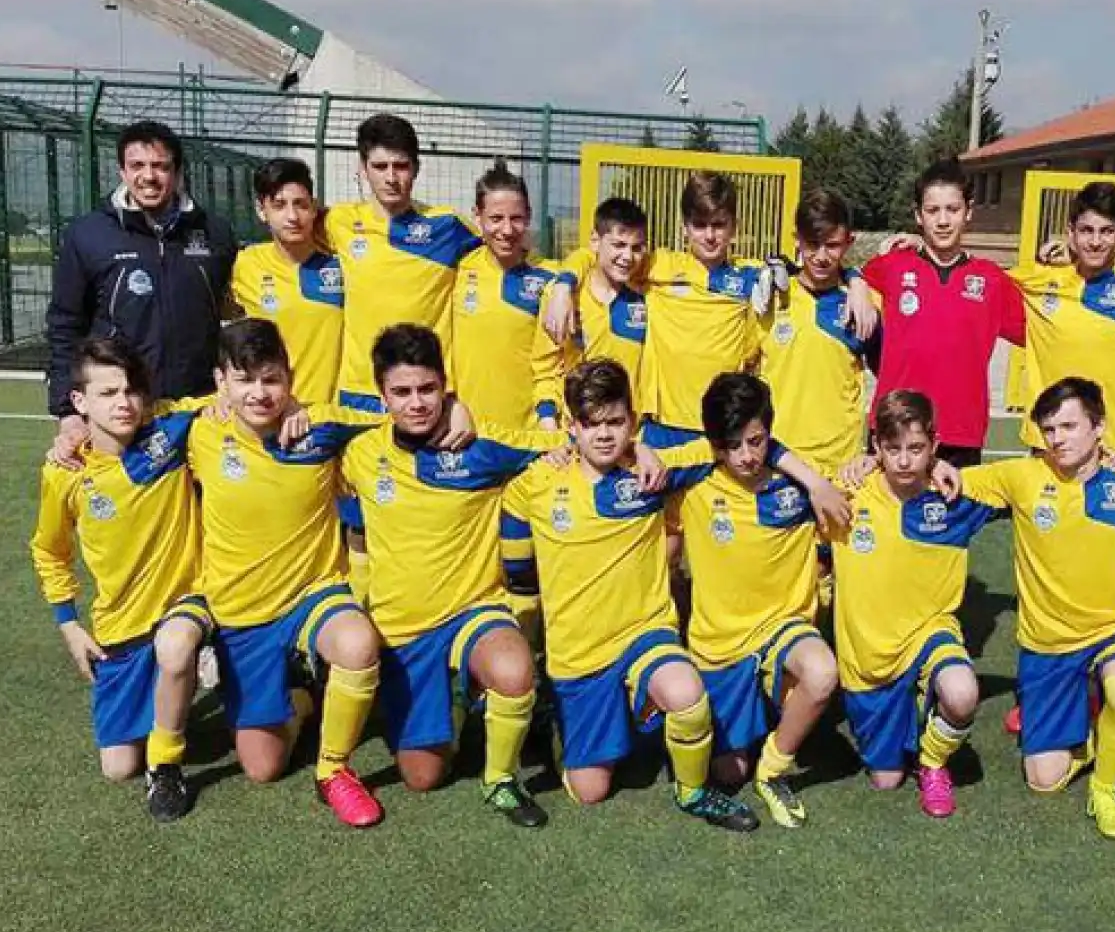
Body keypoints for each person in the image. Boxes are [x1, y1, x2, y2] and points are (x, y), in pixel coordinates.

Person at [499, 359, 842, 828]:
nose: (604, 434)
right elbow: (510, 509)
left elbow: (738, 439)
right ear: (572, 426)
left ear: (633, 421)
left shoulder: (660, 470)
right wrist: (521, 580)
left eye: (616, 422)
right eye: (592, 424)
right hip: (578, 649)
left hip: (646, 630)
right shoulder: (540, 478)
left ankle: (692, 791)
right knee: (589, 790)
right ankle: (561, 717)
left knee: (685, 692)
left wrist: (818, 481)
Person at [339, 324, 562, 827]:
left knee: (514, 670)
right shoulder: (359, 453)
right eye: (401, 392)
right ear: (382, 396)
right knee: (422, 777)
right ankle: (458, 698)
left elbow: (564, 443)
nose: (416, 402)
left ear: (446, 386)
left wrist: (637, 450)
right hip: (403, 632)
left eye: (428, 389)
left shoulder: (481, 447)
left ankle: (501, 779)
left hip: (473, 611)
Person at [187, 319, 393, 828]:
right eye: (245, 379)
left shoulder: (319, 426)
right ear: (221, 382)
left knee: (358, 643)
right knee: (263, 767)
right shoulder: (197, 429)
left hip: (312, 592)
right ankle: (301, 696)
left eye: (271, 379)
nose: (260, 393)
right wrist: (73, 427)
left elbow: (395, 418)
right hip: (242, 611)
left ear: (290, 379)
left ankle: (333, 770)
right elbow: (130, 420)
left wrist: (453, 407)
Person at [543, 171, 877, 448]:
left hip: (721, 431)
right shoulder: (658, 266)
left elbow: (812, 269)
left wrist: (856, 280)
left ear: (734, 227)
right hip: (662, 426)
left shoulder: (752, 276)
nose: (710, 235)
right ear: (685, 227)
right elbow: (599, 253)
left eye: (719, 224)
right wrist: (563, 282)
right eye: (700, 225)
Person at [28, 337, 212, 823]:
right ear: (80, 402)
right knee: (117, 767)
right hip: (120, 624)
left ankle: (167, 765)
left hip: (187, 602)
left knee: (175, 645)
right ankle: (179, 686)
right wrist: (68, 624)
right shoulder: (65, 473)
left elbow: (235, 396)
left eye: (131, 391)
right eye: (108, 393)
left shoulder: (171, 430)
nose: (124, 403)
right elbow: (49, 550)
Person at [959, 378, 1115, 839]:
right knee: (1043, 781)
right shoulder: (1021, 477)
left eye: (1069, 425)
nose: (1058, 438)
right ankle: (1092, 726)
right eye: (1049, 429)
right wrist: (867, 463)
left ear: (1099, 427)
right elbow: (939, 476)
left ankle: (1106, 788)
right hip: (1048, 643)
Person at [323, 114, 481, 596]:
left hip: (422, 400)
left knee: (422, 514)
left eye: (402, 166)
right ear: (361, 169)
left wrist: (563, 281)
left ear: (417, 170)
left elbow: (514, 257)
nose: (391, 177)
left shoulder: (447, 229)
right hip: (358, 399)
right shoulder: (337, 223)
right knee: (358, 523)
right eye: (380, 165)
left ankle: (425, 612)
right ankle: (364, 616)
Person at [676, 373, 842, 829]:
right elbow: (632, 456)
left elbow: (869, 477)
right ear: (715, 444)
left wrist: (836, 475)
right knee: (726, 773)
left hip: (783, 630)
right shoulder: (694, 481)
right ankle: (754, 727)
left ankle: (773, 771)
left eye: (756, 441)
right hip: (720, 648)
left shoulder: (798, 489)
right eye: (734, 445)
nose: (747, 456)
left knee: (823, 672)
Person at [829, 390, 998, 818]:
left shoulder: (955, 495)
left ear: (935, 447)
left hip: (929, 632)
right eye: (893, 449)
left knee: (962, 693)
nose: (905, 461)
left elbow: (1030, 479)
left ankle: (933, 762)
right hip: (868, 656)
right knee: (886, 781)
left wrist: (1103, 461)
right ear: (876, 448)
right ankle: (908, 716)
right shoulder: (846, 491)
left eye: (917, 449)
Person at [47, 120, 237, 443]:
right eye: (137, 165)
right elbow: (65, 325)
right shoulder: (88, 234)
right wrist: (67, 410)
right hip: (122, 409)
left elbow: (234, 322)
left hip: (200, 409)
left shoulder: (214, 233)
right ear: (121, 171)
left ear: (177, 172)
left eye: (160, 166)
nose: (148, 176)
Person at [863, 158, 1025, 467]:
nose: (943, 221)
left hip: (960, 433)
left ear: (969, 212)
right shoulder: (890, 266)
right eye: (932, 211)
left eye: (952, 209)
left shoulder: (991, 279)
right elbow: (845, 282)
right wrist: (857, 283)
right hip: (894, 428)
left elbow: (1044, 331)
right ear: (918, 216)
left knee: (951, 516)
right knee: (887, 516)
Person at [1006, 181, 1115, 463]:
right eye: (1086, 230)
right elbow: (973, 281)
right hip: (1049, 446)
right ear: (1071, 233)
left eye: (1107, 231)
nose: (1095, 242)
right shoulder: (1038, 280)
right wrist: (920, 248)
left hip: (1114, 451)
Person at [756, 188, 877, 472]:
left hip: (841, 465)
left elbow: (892, 378)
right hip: (778, 458)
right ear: (796, 240)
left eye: (832, 245)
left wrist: (875, 449)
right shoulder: (767, 296)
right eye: (812, 244)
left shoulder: (864, 304)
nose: (821, 256)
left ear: (849, 242)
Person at [445, 161, 565, 431]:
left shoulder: (550, 280)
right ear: (478, 217)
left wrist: (566, 283)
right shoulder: (456, 268)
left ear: (529, 216)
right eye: (496, 219)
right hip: (466, 431)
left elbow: (551, 364)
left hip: (529, 433)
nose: (507, 230)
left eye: (517, 218)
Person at [230, 158, 343, 406]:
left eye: (301, 205)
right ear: (262, 210)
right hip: (272, 410)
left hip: (333, 414)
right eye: (279, 205)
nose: (292, 216)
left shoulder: (341, 264)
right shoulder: (246, 264)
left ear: (314, 207)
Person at [541, 196, 650, 389]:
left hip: (633, 418)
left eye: (636, 248)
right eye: (619, 245)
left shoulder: (650, 291)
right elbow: (545, 370)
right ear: (595, 241)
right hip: (578, 417)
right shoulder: (563, 296)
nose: (627, 257)